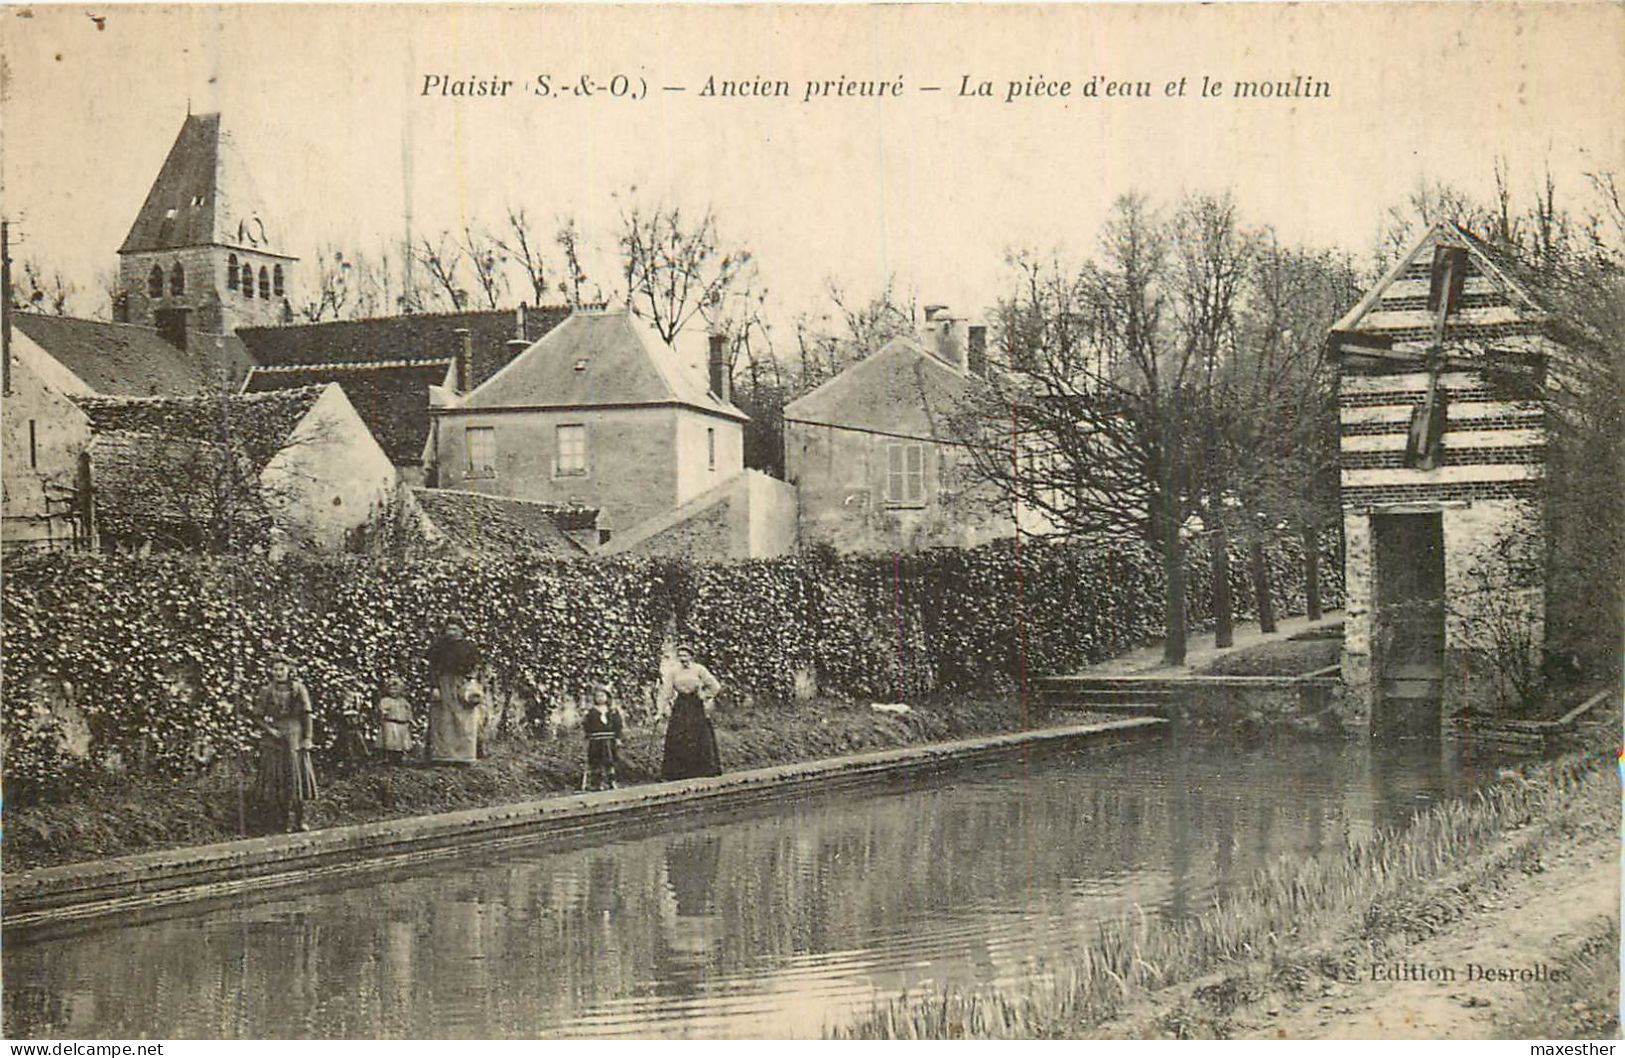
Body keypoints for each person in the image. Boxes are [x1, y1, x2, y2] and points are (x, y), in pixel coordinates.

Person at [246, 653, 318, 833]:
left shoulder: (299, 688)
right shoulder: (266, 690)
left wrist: (308, 738)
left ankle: (300, 820)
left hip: (295, 734)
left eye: (282, 669)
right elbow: (257, 716)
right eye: (275, 669)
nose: (278, 673)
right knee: (278, 778)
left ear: (289, 670)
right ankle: (283, 821)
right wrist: (270, 730)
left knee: (296, 777)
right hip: (276, 738)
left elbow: (307, 714)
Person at [659, 645, 722, 780]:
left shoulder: (699, 669)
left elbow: (715, 686)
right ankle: (678, 772)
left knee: (699, 734)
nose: (683, 659)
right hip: (681, 705)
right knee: (679, 735)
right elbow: (667, 690)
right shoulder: (674, 671)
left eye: (685, 655)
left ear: (691, 656)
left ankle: (703, 770)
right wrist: (661, 709)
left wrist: (704, 696)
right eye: (680, 656)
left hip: (696, 704)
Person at [427, 619, 481, 764]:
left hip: (462, 685)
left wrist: (471, 681)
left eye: (455, 629)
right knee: (443, 720)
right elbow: (432, 669)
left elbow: (475, 667)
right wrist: (435, 687)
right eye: (449, 629)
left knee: (463, 720)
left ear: (462, 631)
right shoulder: (438, 647)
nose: (451, 633)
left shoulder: (469, 647)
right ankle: (443, 755)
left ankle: (464, 756)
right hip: (443, 683)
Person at [583, 685, 623, 790]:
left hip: (609, 739)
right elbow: (587, 725)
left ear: (607, 697)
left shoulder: (612, 711)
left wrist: (618, 738)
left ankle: (611, 781)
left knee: (609, 761)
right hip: (596, 739)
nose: (600, 698)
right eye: (598, 696)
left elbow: (618, 725)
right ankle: (597, 783)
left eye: (602, 696)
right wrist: (588, 734)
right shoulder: (591, 711)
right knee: (596, 761)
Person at [376, 676, 414, 763]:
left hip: (402, 723)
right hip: (390, 722)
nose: (393, 692)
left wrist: (409, 719)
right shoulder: (386, 700)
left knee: (402, 740)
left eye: (396, 689)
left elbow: (408, 710)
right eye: (391, 689)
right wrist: (383, 713)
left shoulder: (403, 701)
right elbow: (382, 710)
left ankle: (401, 756)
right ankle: (388, 756)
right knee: (390, 740)